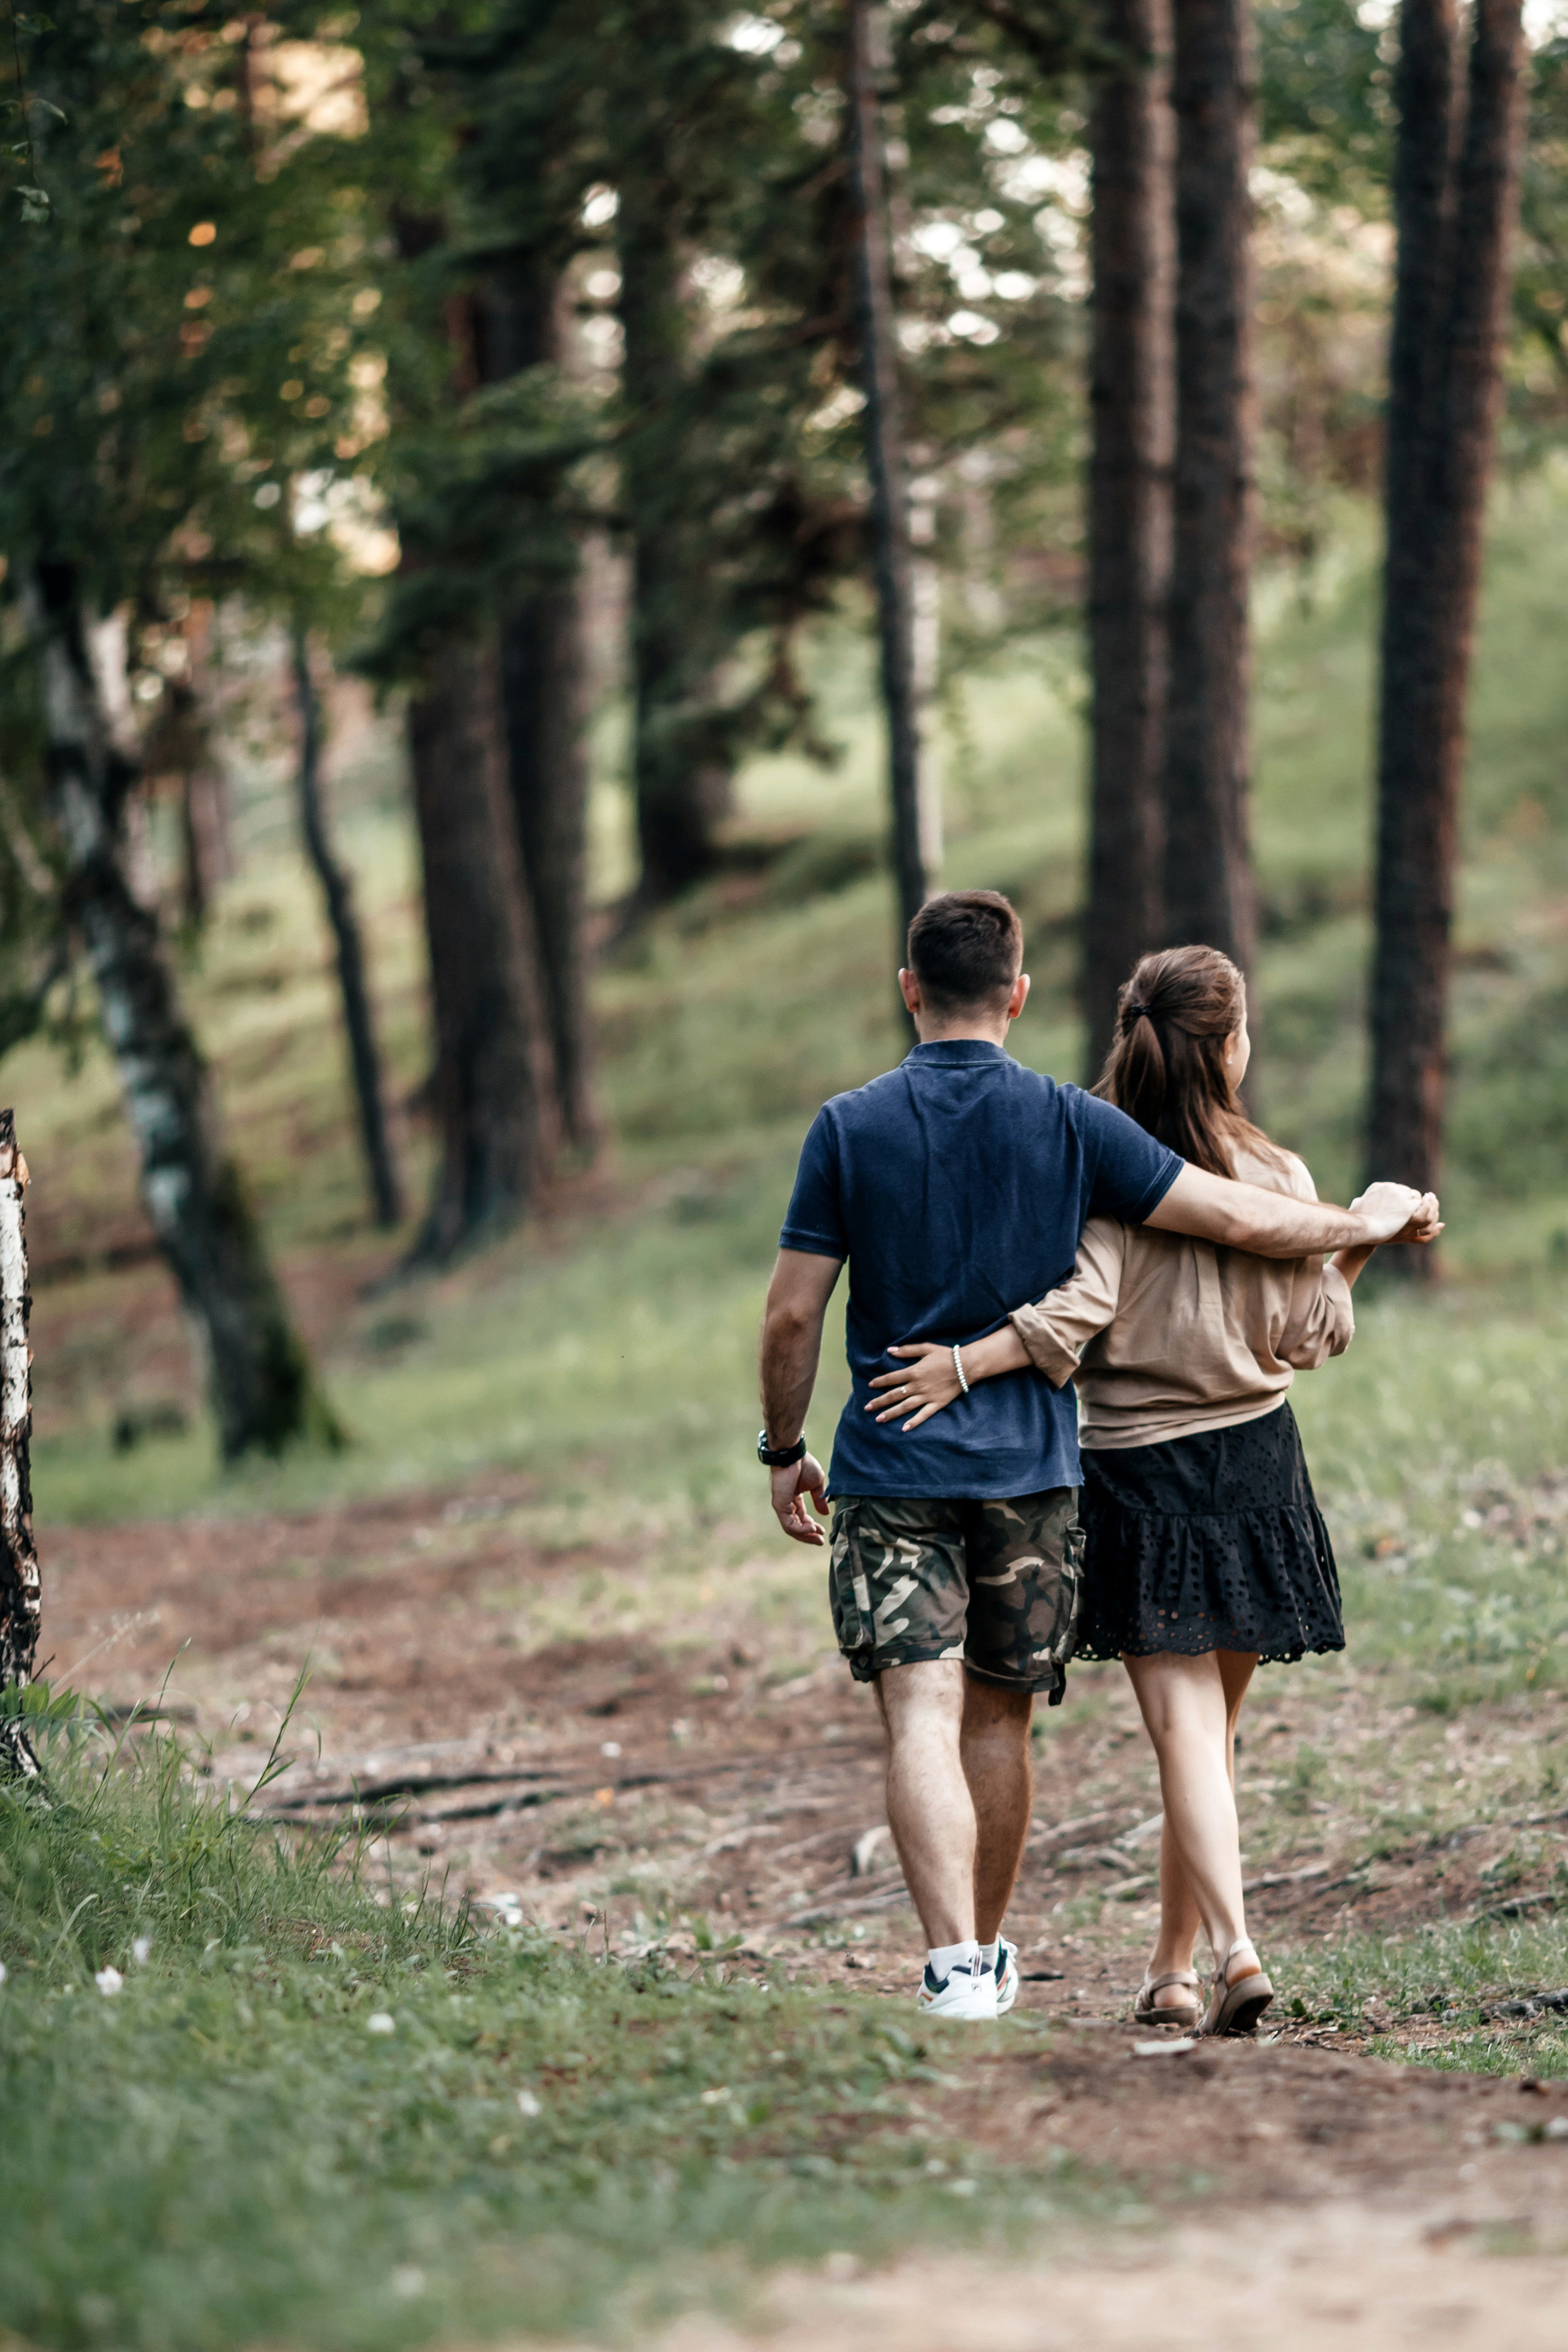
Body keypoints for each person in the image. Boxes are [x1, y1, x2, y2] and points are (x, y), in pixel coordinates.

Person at [760, 895, 1439, 2024]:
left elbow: (792, 1318)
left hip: (901, 1463)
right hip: (1043, 1473)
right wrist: (1364, 1223)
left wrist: (785, 1449)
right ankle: (1173, 1955)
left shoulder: (849, 1125)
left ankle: (965, 1970)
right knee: (1009, 1718)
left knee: (924, 1715)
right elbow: (1242, 1224)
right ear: (1019, 995)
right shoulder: (1075, 1129)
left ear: (908, 988)